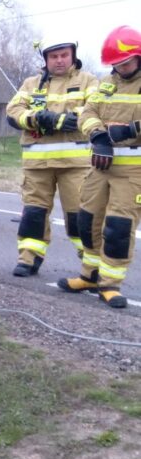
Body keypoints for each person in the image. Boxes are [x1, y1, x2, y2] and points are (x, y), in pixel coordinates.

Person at [57, 25, 141, 308]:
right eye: (116, 64)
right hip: (101, 164)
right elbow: (88, 112)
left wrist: (129, 130)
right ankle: (89, 275)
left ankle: (110, 284)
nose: (120, 68)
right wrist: (98, 135)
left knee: (118, 226)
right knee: (87, 219)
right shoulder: (107, 82)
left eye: (125, 63)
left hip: (133, 170)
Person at [4, 35, 99, 277]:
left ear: (73, 55)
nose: (59, 60)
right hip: (37, 164)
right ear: (45, 59)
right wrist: (37, 118)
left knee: (79, 216)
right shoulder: (31, 84)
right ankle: (28, 259)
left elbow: (95, 108)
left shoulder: (88, 81)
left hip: (75, 164)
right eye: (53, 56)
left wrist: (62, 118)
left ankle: (91, 265)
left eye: (64, 55)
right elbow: (13, 111)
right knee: (33, 214)